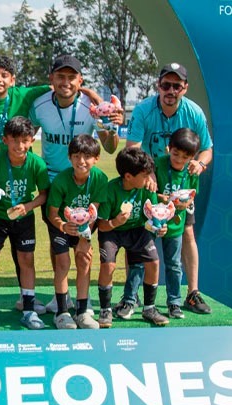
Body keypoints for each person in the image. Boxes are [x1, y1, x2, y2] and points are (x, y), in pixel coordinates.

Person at [29, 54, 121, 313]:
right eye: (61, 76)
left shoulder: (91, 106)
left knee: (83, 243)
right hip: (53, 182)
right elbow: (26, 136)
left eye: (72, 77)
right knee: (57, 241)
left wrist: (112, 127)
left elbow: (110, 148)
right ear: (52, 79)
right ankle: (61, 296)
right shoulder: (39, 105)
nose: (66, 82)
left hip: (84, 184)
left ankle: (83, 297)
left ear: (80, 80)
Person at [123, 62, 214, 315]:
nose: (170, 90)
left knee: (186, 233)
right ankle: (132, 295)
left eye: (176, 86)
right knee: (139, 236)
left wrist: (199, 164)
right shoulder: (143, 109)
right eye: (166, 85)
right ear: (158, 86)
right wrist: (148, 170)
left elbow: (207, 149)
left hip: (180, 185)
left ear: (184, 88)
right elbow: (132, 148)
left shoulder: (193, 112)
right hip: (150, 181)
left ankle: (192, 293)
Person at [0, 117, 50, 330]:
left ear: (32, 140)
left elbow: (44, 194)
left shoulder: (37, 163)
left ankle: (29, 310)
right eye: (15, 140)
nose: (20, 145)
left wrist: (28, 206)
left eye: (25, 140)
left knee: (26, 260)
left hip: (23, 218)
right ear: (5, 140)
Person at [95, 147, 168, 328]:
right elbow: (101, 225)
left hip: (138, 230)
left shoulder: (147, 187)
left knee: (153, 262)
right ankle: (105, 309)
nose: (149, 179)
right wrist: (116, 222)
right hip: (112, 230)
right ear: (128, 176)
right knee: (108, 265)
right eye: (145, 175)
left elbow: (153, 216)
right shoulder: (110, 189)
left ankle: (149, 308)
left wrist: (160, 226)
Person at [45, 134, 108, 330]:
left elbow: (94, 213)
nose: (81, 161)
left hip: (84, 228)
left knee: (84, 259)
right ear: (69, 158)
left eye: (87, 156)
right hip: (61, 226)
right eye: (76, 156)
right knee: (63, 262)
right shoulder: (61, 180)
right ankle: (62, 312)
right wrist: (63, 226)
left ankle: (82, 312)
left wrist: (84, 239)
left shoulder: (100, 178)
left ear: (96, 158)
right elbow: (52, 213)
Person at [153, 128, 202, 319]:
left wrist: (185, 203)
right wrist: (163, 199)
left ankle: (174, 302)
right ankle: (136, 299)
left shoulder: (192, 171)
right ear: (169, 148)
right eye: (175, 154)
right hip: (153, 221)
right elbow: (148, 191)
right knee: (145, 260)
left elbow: (192, 195)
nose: (179, 160)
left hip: (176, 225)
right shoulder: (158, 164)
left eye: (185, 157)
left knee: (174, 264)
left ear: (192, 157)